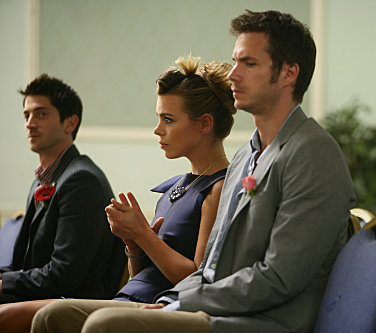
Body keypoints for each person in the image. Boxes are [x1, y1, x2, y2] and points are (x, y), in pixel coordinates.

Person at [31, 9, 356, 333]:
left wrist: (181, 302)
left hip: (264, 320)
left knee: (104, 325)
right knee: (51, 317)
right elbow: (211, 265)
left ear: (288, 73)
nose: (233, 75)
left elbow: (279, 277)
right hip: (215, 305)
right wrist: (172, 298)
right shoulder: (245, 156)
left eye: (249, 63)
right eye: (236, 61)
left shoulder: (314, 154)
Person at [0, 56, 236, 333]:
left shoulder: (218, 188)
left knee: (25, 316)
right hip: (132, 296)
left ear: (204, 124)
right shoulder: (173, 188)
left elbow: (199, 277)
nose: (157, 129)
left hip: (162, 304)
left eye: (168, 119)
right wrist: (134, 245)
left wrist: (144, 235)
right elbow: (142, 275)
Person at [0, 74, 116, 305]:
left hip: (70, 301)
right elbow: (23, 264)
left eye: (41, 114)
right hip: (42, 293)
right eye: (27, 115)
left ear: (70, 123)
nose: (30, 123)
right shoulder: (44, 178)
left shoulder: (81, 180)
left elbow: (64, 276)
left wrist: (5, 283)